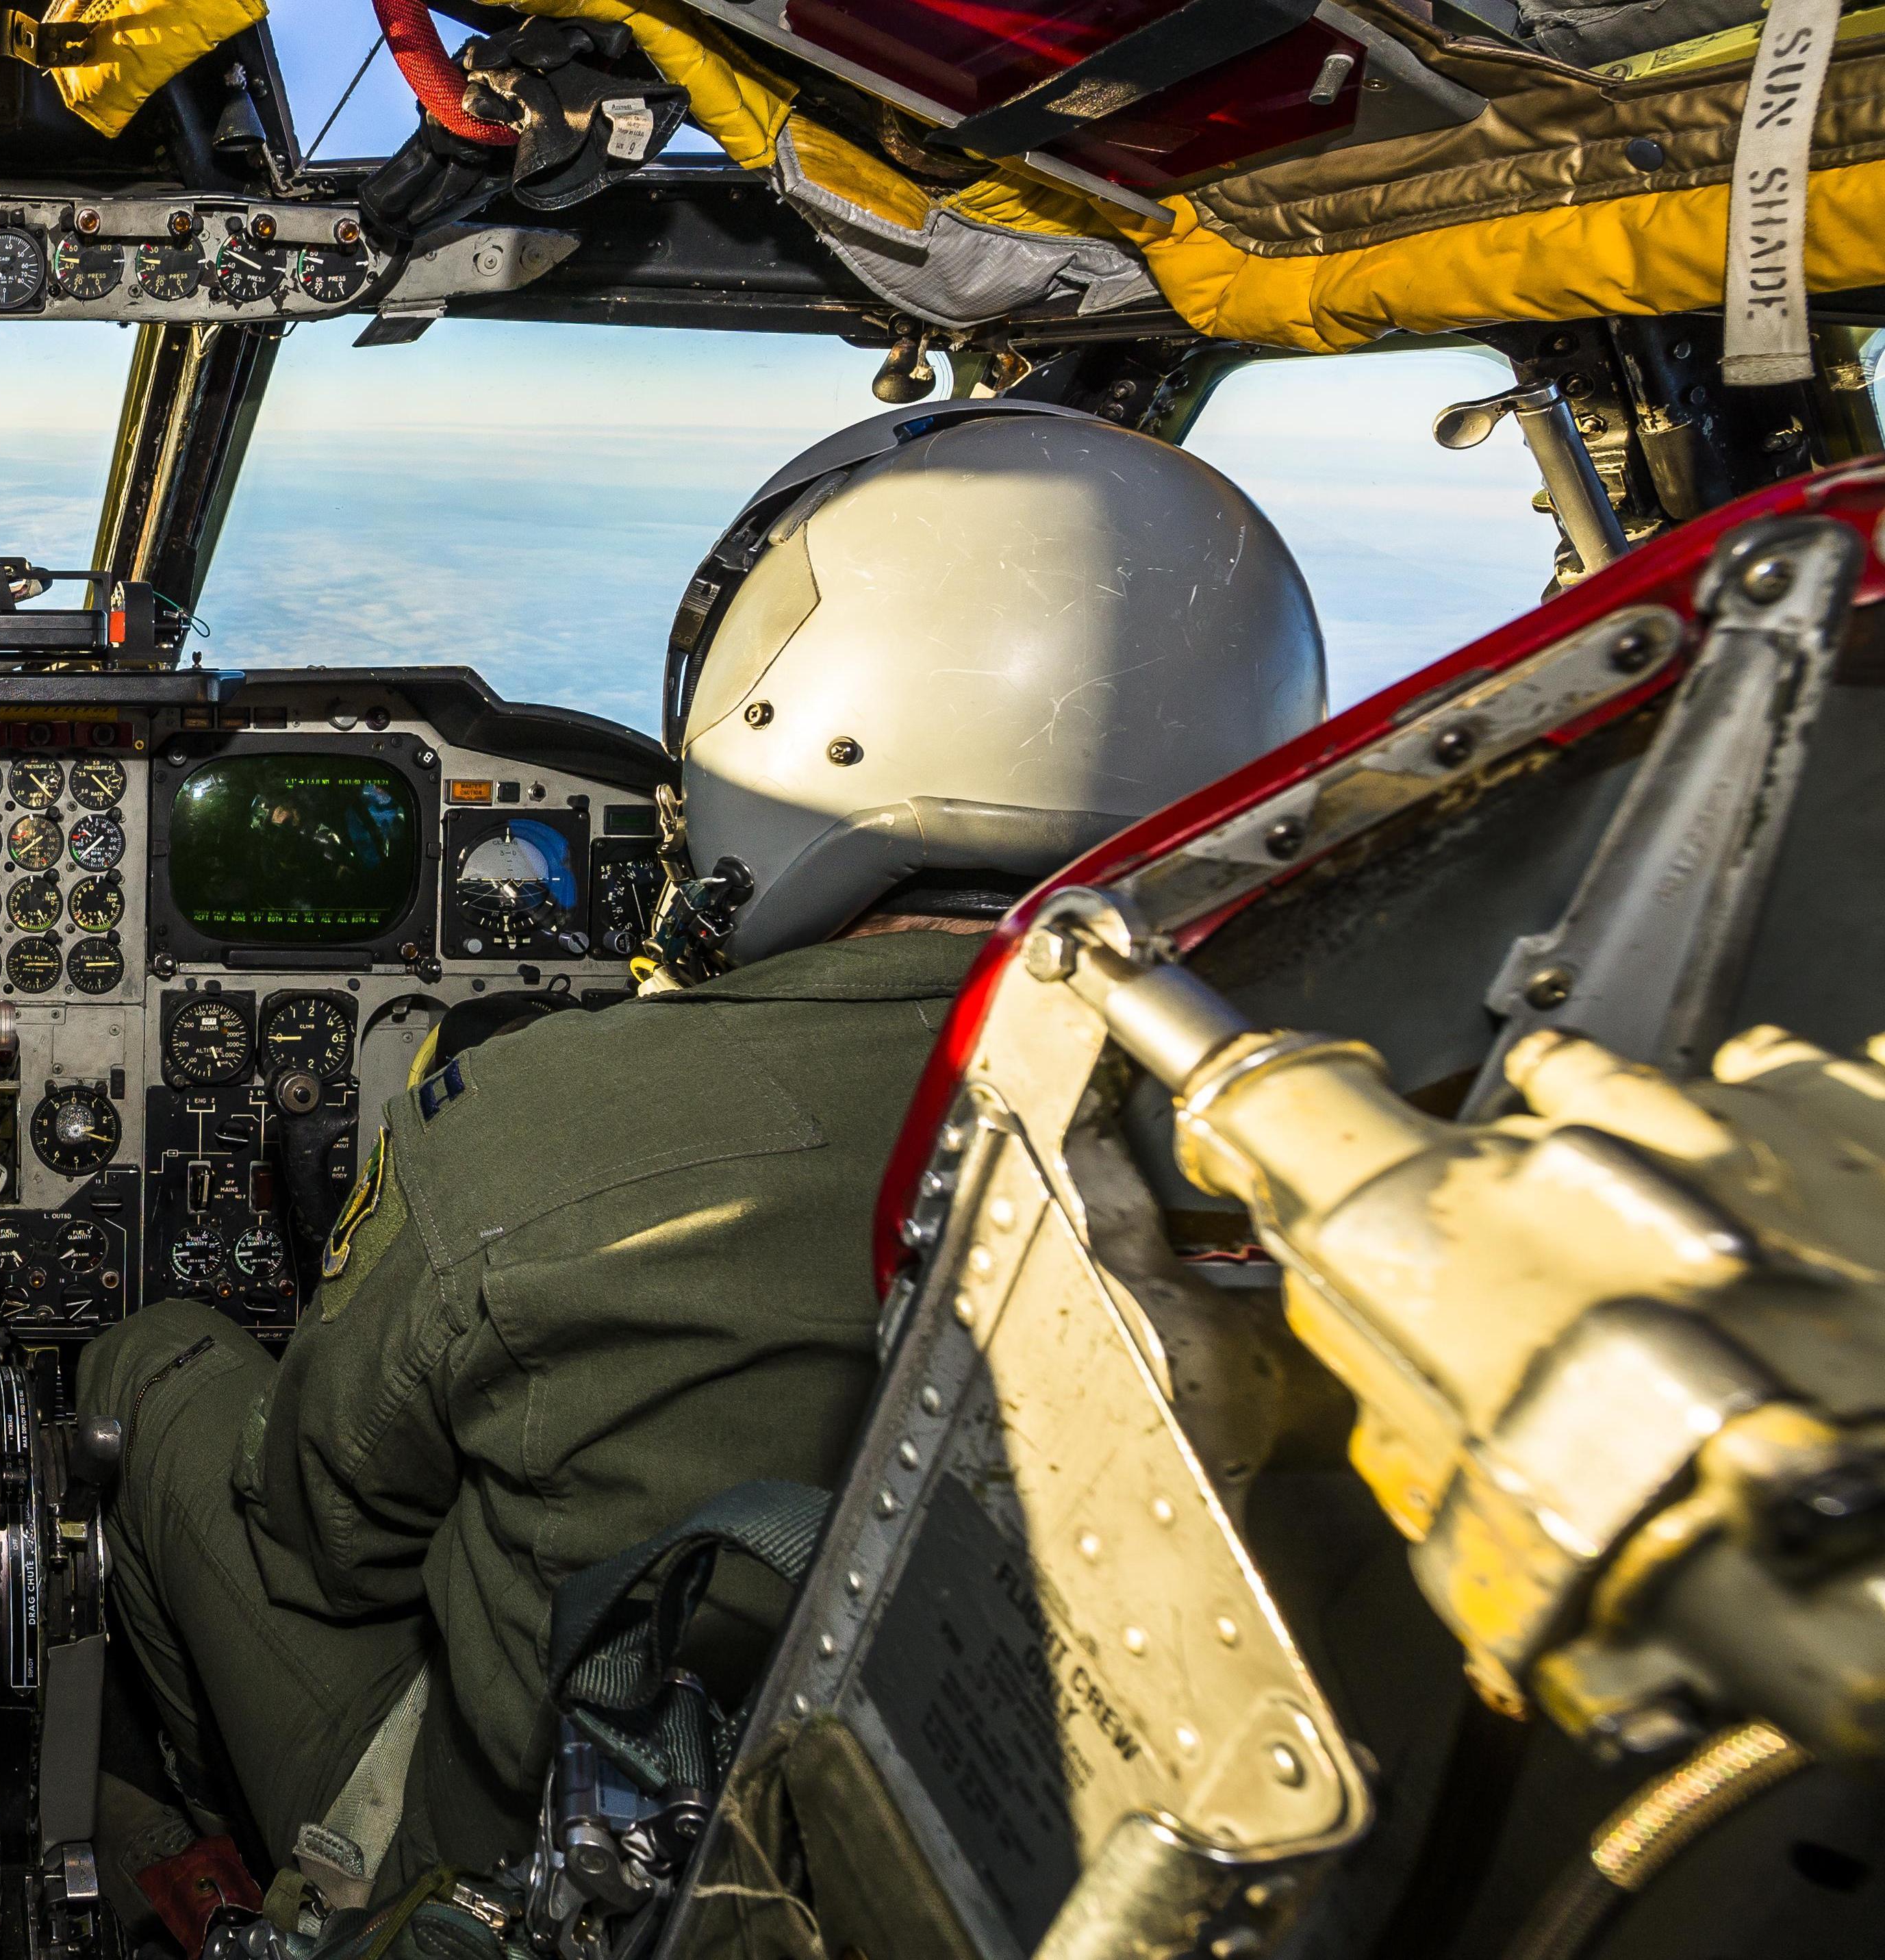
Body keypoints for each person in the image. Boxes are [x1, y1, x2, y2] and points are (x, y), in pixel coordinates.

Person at [77, 401, 1328, 1918]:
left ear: (790, 720)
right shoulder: (1332, 1137)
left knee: (148, 1367)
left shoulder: (543, 1123)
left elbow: (320, 1539)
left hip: (536, 1873)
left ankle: (291, 1870)